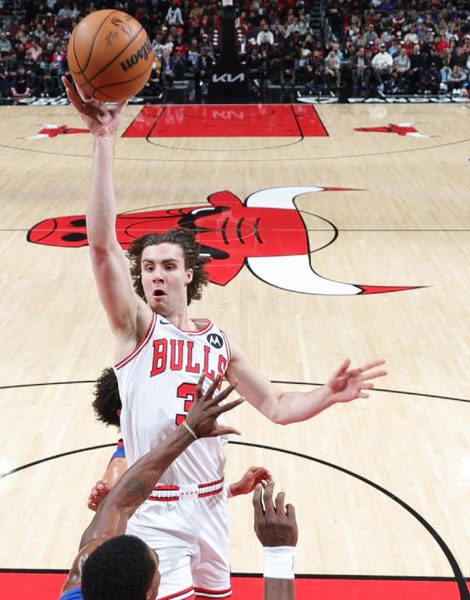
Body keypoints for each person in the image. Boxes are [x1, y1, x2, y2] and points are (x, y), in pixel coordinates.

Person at [63, 75, 385, 600]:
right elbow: (100, 248)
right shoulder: (135, 328)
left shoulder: (219, 342)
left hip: (211, 504)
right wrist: (103, 140)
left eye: (168, 266)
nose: (156, 276)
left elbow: (277, 406)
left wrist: (328, 395)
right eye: (147, 268)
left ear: (190, 273)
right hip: (154, 506)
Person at [60, 375, 297, 600]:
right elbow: (121, 497)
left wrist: (228, 487)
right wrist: (279, 552)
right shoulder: (78, 575)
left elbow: (119, 505)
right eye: (158, 573)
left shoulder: (83, 578)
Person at [87, 367, 270, 511]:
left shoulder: (172, 438)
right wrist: (108, 501)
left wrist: (234, 489)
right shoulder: (125, 457)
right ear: (125, 411)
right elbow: (117, 488)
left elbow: (182, 497)